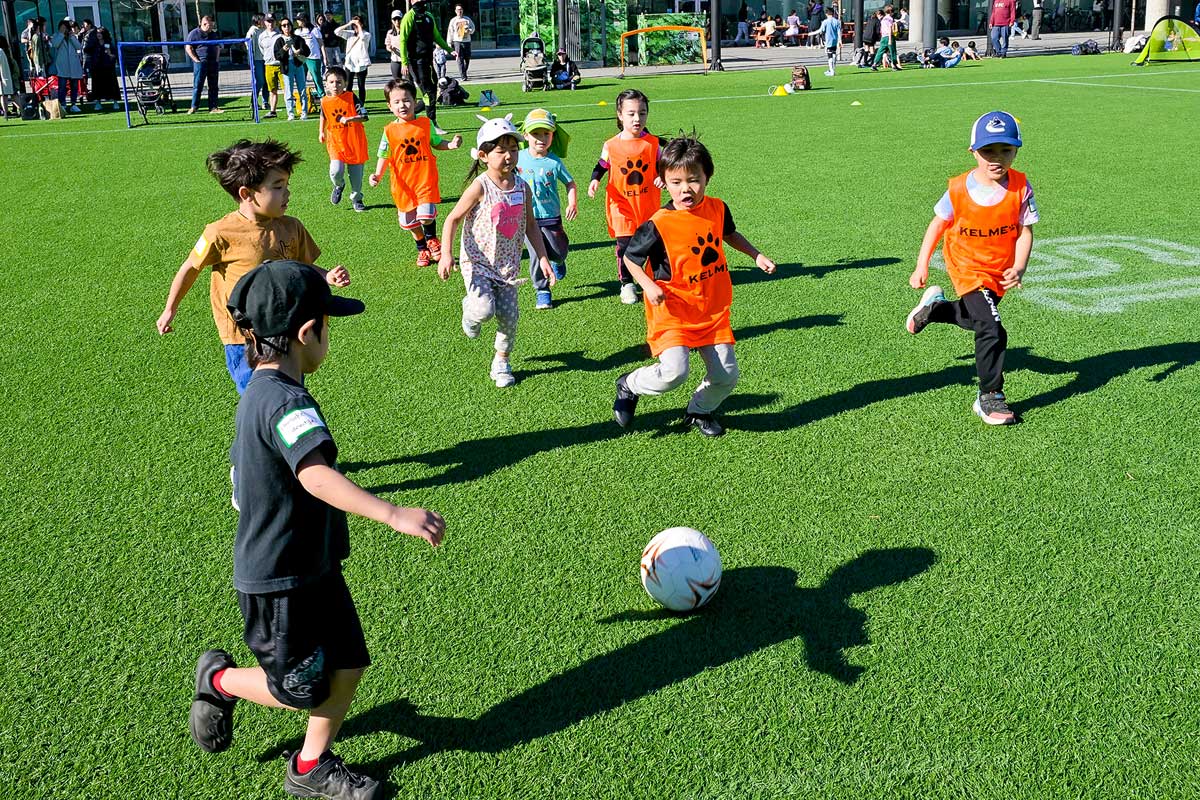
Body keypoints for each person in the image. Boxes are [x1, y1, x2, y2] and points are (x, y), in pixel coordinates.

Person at [189, 259, 445, 799]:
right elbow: (315, 475)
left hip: (315, 563)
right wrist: (394, 514)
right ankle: (219, 681)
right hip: (279, 578)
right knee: (300, 689)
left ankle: (310, 767)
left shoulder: (260, 394)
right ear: (307, 334)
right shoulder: (284, 401)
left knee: (347, 662)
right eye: (328, 327)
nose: (329, 337)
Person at [156, 139, 351, 395]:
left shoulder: (291, 227)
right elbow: (190, 268)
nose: (287, 194)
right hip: (243, 337)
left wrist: (326, 276)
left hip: (286, 329)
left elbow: (301, 267)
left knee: (291, 391)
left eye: (287, 185)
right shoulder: (220, 233)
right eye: (278, 187)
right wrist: (170, 309)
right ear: (246, 194)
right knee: (258, 395)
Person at [613, 136, 778, 438]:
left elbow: (729, 234)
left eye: (693, 180)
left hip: (711, 310)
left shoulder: (717, 208)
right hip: (673, 311)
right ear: (663, 181)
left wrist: (756, 255)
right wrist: (648, 286)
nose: (685, 189)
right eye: (675, 182)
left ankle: (699, 410)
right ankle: (630, 384)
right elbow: (631, 258)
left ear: (707, 178)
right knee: (675, 372)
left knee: (726, 376)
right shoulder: (658, 224)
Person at [906, 111, 1038, 426]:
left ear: (1016, 150)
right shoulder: (959, 189)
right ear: (973, 152)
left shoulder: (1021, 186)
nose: (997, 158)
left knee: (973, 319)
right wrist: (921, 264)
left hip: (998, 271)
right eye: (988, 151)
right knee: (992, 328)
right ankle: (990, 397)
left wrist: (1019, 267)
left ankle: (934, 309)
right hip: (965, 266)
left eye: (1006, 150)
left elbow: (1026, 231)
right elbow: (937, 225)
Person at [436, 115, 554, 388]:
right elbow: (452, 219)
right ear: (484, 155)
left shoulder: (522, 187)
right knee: (484, 309)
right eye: (501, 151)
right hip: (477, 263)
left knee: (510, 318)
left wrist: (544, 257)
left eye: (513, 149)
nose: (509, 156)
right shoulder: (479, 186)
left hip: (507, 269)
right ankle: (470, 311)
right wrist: (446, 253)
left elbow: (531, 225)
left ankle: (501, 361)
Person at [368, 79, 463, 267]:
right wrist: (377, 175)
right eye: (396, 102)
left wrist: (450, 145)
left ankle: (432, 240)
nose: (402, 105)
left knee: (426, 215)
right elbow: (384, 155)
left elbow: (436, 143)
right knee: (409, 222)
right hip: (402, 184)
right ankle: (422, 248)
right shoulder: (389, 131)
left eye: (406, 100)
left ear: (414, 101)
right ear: (389, 106)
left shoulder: (425, 124)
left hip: (424, 180)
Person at [587, 89, 662, 305]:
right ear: (620, 115)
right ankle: (627, 284)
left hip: (648, 206)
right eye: (631, 113)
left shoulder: (653, 144)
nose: (637, 119)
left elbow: (664, 166)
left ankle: (652, 280)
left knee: (651, 245)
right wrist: (595, 180)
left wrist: (663, 178)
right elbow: (602, 164)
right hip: (621, 206)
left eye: (642, 113)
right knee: (626, 246)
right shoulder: (611, 144)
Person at [516, 108, 577, 310]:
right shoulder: (519, 158)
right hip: (528, 218)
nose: (541, 138)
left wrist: (572, 202)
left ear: (553, 135)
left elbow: (570, 183)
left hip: (551, 217)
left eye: (546, 133)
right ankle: (542, 291)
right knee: (535, 255)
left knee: (558, 251)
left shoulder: (554, 162)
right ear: (525, 135)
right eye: (535, 134)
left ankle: (559, 262)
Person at [320, 67, 369, 213]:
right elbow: (323, 116)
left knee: (356, 178)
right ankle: (339, 185)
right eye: (332, 82)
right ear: (326, 84)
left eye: (339, 82)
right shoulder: (324, 101)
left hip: (354, 142)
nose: (335, 86)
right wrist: (321, 131)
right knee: (335, 171)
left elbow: (365, 116)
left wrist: (350, 119)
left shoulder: (352, 97)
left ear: (345, 83)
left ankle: (357, 199)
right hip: (335, 142)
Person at [398, 0, 452, 125]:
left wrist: (450, 50)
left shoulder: (429, 16)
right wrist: (404, 62)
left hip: (428, 60)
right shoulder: (409, 17)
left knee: (432, 92)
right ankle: (432, 123)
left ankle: (407, 116)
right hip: (416, 61)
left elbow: (436, 37)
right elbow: (403, 40)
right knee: (428, 93)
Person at [185, 15, 222, 115]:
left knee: (213, 85)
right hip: (201, 63)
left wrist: (217, 60)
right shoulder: (194, 33)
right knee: (198, 85)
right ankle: (194, 107)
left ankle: (213, 107)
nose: (211, 28)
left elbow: (217, 47)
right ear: (204, 24)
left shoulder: (213, 34)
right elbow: (188, 48)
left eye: (212, 25)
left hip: (213, 63)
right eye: (210, 26)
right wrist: (196, 60)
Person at [276, 18, 310, 122]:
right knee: (288, 91)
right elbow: (277, 55)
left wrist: (300, 50)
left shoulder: (298, 38)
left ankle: (304, 112)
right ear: (281, 28)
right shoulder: (279, 40)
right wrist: (283, 50)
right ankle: (290, 113)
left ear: (291, 26)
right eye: (284, 25)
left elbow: (307, 51)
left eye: (288, 25)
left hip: (298, 65)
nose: (286, 27)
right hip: (287, 67)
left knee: (302, 90)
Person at [335, 16, 371, 112]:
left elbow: (362, 37)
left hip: (361, 64)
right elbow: (337, 31)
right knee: (348, 85)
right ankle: (349, 104)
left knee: (361, 85)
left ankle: (361, 105)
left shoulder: (367, 34)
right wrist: (349, 23)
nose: (355, 26)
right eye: (354, 25)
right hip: (350, 63)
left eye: (357, 24)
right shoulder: (350, 34)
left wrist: (359, 25)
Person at [50, 19, 84, 113]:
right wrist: (61, 34)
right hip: (62, 65)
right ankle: (63, 104)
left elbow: (79, 47)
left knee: (74, 86)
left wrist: (72, 36)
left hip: (73, 65)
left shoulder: (72, 36)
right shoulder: (56, 36)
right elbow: (55, 44)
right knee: (62, 86)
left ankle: (73, 104)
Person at [259, 15, 283, 118]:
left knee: (286, 89)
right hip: (269, 65)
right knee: (272, 90)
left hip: (281, 64)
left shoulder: (280, 34)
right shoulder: (262, 36)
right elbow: (262, 49)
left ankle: (291, 111)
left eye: (272, 21)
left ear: (275, 22)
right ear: (265, 22)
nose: (270, 23)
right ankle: (273, 111)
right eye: (268, 21)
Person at [245, 14, 269, 111]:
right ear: (258, 21)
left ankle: (265, 102)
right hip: (257, 60)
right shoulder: (253, 31)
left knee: (267, 82)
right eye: (263, 20)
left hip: (266, 59)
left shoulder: (265, 30)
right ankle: (253, 102)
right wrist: (251, 60)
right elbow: (248, 45)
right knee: (260, 81)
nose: (265, 21)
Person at [296, 15, 324, 99]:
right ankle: (302, 96)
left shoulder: (314, 30)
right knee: (301, 78)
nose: (298, 22)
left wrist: (324, 57)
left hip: (313, 57)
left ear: (304, 20)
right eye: (297, 20)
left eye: (299, 20)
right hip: (301, 57)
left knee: (316, 77)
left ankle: (322, 95)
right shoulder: (297, 31)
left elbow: (321, 44)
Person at [446, 4, 475, 81]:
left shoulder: (467, 19)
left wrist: (469, 31)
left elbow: (473, 28)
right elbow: (450, 32)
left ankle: (464, 71)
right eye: (458, 10)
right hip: (457, 42)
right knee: (459, 58)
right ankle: (463, 76)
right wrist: (449, 43)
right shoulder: (453, 21)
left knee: (467, 59)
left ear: (463, 10)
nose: (460, 11)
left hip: (467, 41)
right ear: (455, 11)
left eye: (461, 9)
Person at [812, 7, 842, 76]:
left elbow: (820, 30)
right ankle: (832, 69)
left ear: (826, 14)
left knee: (830, 56)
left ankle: (831, 71)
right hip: (835, 40)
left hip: (828, 40)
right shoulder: (837, 21)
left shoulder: (825, 22)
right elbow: (839, 32)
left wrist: (811, 33)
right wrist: (840, 41)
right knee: (834, 54)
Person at [872, 4, 901, 70]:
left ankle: (874, 64)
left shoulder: (883, 19)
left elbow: (882, 29)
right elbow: (889, 29)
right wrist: (890, 39)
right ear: (891, 11)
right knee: (892, 51)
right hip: (889, 36)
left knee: (880, 51)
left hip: (883, 37)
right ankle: (894, 65)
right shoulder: (890, 19)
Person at [384, 9, 406, 80]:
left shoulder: (406, 31)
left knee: (408, 81)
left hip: (406, 60)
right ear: (392, 20)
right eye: (395, 19)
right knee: (397, 81)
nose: (397, 21)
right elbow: (387, 45)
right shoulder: (390, 33)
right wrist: (390, 48)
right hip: (395, 59)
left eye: (399, 19)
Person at [0, 35, 16, 118]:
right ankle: (24, 110)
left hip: (4, 77)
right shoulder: (5, 52)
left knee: (4, 96)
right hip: (7, 77)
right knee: (12, 95)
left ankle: (6, 112)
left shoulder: (0, 52)